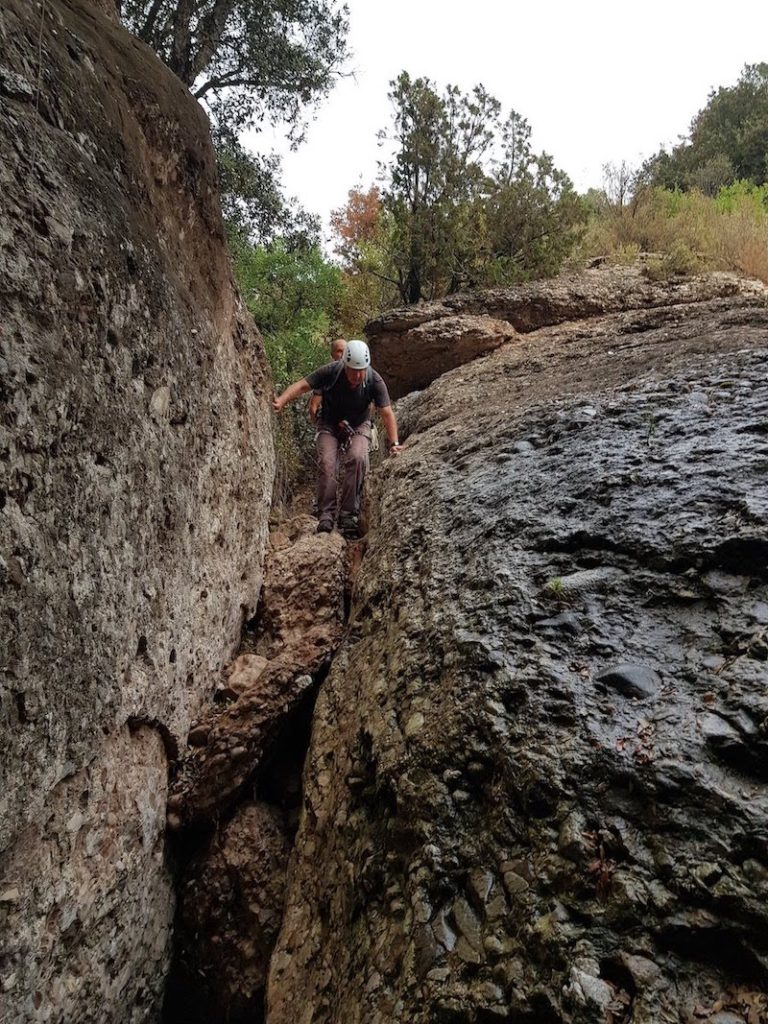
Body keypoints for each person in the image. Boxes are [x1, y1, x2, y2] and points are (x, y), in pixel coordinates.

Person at [272, 339, 402, 536]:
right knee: (327, 461)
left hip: (359, 423)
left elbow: (386, 413)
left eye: (362, 370)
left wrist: (394, 443)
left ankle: (349, 513)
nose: (358, 375)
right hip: (330, 423)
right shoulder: (331, 371)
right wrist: (282, 400)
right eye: (353, 370)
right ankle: (326, 513)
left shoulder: (374, 380)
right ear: (344, 365)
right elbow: (302, 386)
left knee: (357, 458)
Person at [308, 338, 347, 424]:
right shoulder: (326, 375)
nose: (343, 354)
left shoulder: (360, 374)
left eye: (345, 351)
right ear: (332, 354)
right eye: (339, 351)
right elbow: (313, 406)